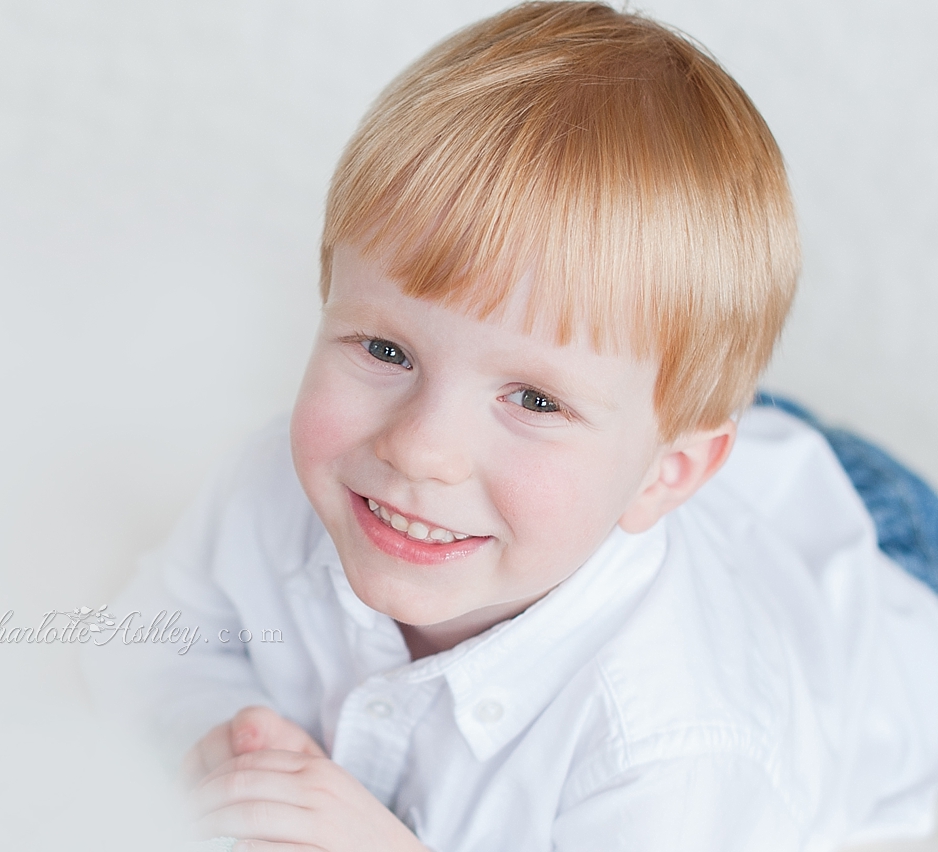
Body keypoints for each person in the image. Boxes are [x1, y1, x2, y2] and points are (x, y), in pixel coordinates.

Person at [82, 3, 938, 849]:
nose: (419, 446)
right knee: (630, 377)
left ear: (663, 477)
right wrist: (225, 748)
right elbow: (153, 645)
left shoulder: (674, 754)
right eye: (385, 347)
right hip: (710, 474)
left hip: (878, 570)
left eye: (533, 400)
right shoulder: (276, 486)